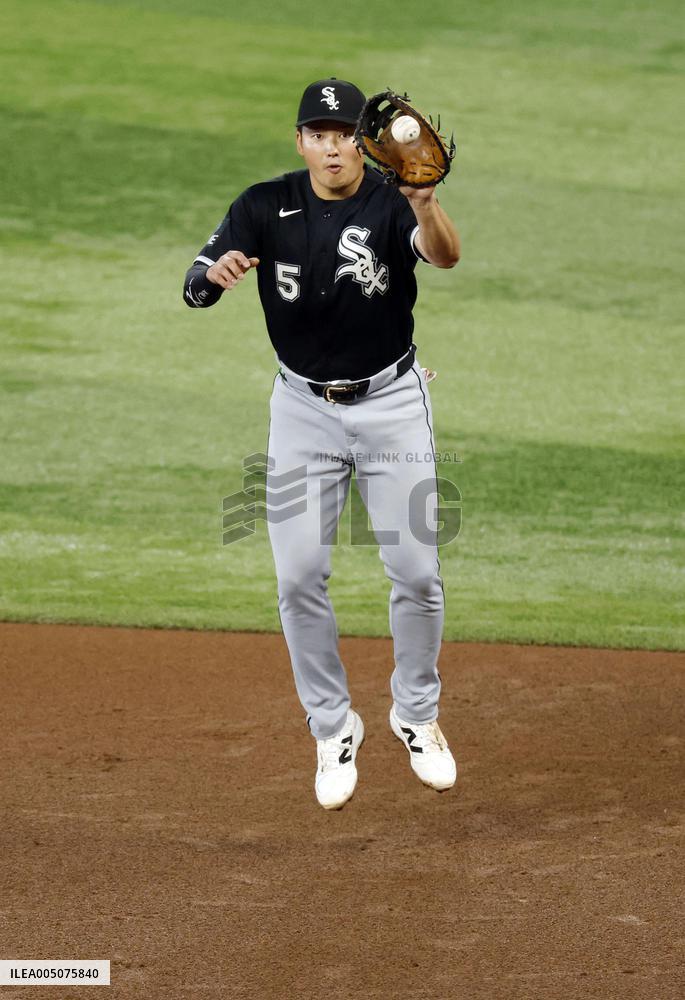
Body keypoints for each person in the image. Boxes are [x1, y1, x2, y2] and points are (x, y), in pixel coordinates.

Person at [183, 78, 461, 810]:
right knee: (298, 576)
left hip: (392, 405)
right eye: (317, 131)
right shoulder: (261, 204)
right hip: (303, 413)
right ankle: (332, 725)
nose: (331, 144)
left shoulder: (391, 197)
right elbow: (194, 282)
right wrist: (212, 277)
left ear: (361, 142)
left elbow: (446, 257)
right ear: (299, 140)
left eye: (343, 132)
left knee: (416, 572)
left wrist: (426, 205)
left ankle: (416, 712)